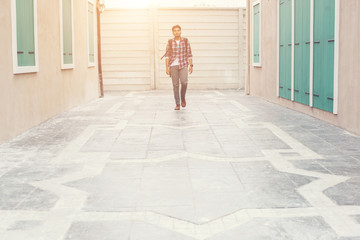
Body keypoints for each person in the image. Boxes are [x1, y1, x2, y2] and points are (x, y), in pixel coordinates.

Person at [165, 25, 193, 110]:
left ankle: (183, 97)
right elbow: (167, 56)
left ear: (180, 31)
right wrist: (167, 67)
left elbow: (189, 54)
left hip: (183, 64)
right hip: (173, 65)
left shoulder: (185, 41)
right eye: (175, 31)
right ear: (173, 32)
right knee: (175, 85)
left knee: (184, 82)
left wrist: (191, 65)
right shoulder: (170, 42)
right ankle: (177, 103)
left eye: (178, 30)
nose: (176, 32)